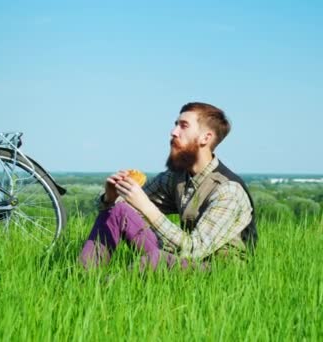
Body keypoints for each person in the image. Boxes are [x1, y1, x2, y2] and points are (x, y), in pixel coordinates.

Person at [79, 102, 257, 271]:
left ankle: (103, 290)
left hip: (218, 271)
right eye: (175, 125)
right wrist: (111, 198)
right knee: (118, 211)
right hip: (184, 259)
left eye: (183, 126)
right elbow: (128, 209)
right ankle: (83, 278)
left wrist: (146, 206)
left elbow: (195, 250)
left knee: (156, 260)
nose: (173, 132)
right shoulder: (175, 178)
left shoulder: (228, 190)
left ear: (206, 138)